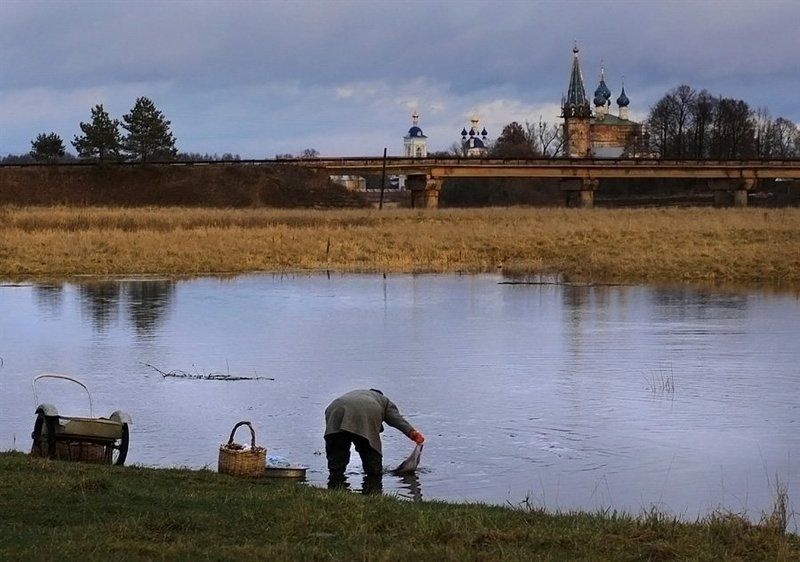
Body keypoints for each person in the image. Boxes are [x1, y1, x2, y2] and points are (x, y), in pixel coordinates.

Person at [324, 388, 424, 491]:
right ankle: (372, 491)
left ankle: (335, 487)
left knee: (336, 460)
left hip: (334, 410)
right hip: (366, 412)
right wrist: (411, 432)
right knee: (372, 462)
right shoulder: (383, 401)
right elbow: (396, 419)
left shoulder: (358, 393)